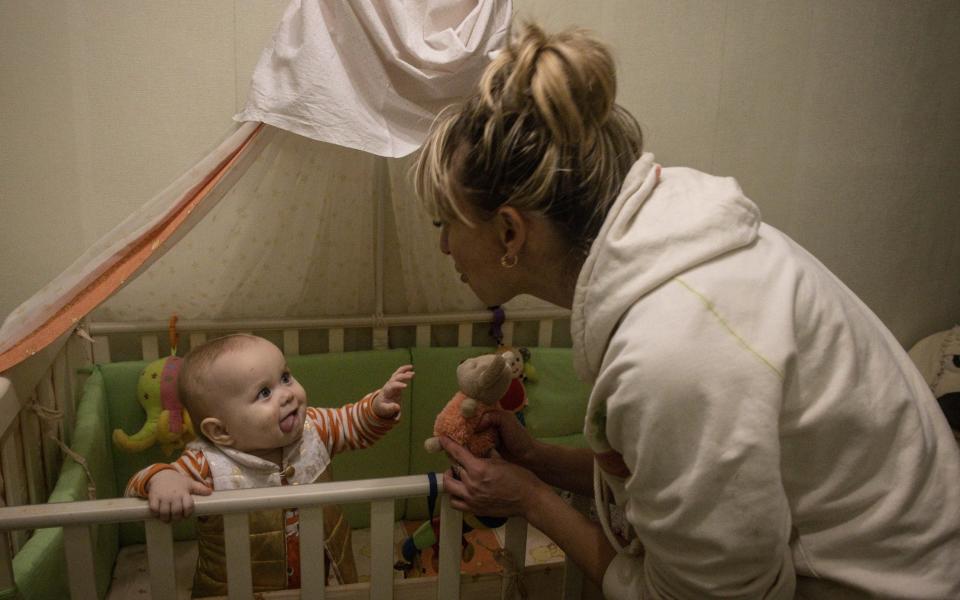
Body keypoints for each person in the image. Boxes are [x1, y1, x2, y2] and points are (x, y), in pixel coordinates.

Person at [414, 22, 960, 599]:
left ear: (508, 233)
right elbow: (662, 486)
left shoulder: (674, 350)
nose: (445, 247)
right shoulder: (668, 259)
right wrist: (538, 461)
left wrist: (533, 501)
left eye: (444, 223)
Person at [125, 333, 414, 596]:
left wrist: (377, 408)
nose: (287, 394)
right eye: (264, 393)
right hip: (239, 590)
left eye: (286, 377)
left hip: (319, 579)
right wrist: (162, 479)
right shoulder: (207, 464)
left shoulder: (315, 428)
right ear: (221, 432)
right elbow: (136, 485)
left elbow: (353, 423)